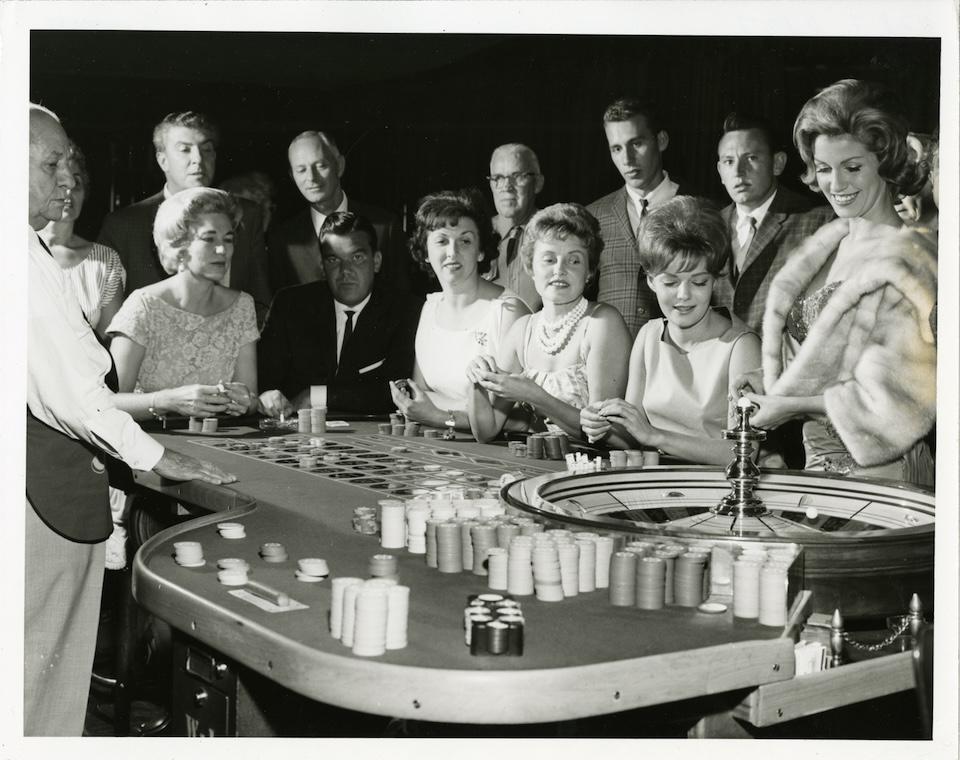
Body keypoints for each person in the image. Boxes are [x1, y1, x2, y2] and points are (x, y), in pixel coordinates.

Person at [26, 103, 234, 736]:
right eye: (50, 162)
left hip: (50, 483)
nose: (68, 177)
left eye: (73, 162)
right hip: (39, 495)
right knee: (37, 682)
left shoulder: (29, 249)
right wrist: (158, 457)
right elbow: (77, 393)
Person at [745, 79, 937, 486]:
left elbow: (894, 403)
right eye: (824, 168)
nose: (836, 185)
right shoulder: (827, 243)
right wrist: (764, 381)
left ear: (885, 161)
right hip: (818, 466)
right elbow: (818, 363)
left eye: (852, 168)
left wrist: (785, 406)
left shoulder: (911, 260)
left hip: (883, 473)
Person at [103, 187, 258, 567]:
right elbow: (105, 403)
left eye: (228, 239)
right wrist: (168, 400)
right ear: (179, 245)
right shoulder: (144, 305)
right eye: (209, 239)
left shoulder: (243, 306)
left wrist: (245, 400)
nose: (223, 251)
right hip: (149, 472)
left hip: (220, 467)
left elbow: (250, 397)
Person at [581, 196, 762, 466]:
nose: (684, 295)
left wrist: (655, 436)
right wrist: (601, 426)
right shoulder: (648, 335)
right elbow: (634, 436)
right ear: (651, 281)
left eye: (699, 282)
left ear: (715, 280)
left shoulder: (741, 345)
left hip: (720, 492)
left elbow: (744, 452)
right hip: (657, 486)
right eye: (670, 282)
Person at [466, 203, 631, 443]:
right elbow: (487, 430)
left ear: (590, 271)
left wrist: (535, 396)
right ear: (530, 267)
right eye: (549, 259)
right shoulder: (521, 330)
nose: (560, 270)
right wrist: (477, 383)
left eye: (574, 261)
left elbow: (608, 436)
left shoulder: (602, 323)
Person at [98, 111, 272, 323]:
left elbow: (261, 298)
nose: (198, 160)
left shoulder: (247, 214)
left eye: (206, 149)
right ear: (163, 160)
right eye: (185, 150)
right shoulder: (124, 224)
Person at [389, 188, 529, 431]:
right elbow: (422, 395)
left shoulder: (507, 311)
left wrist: (440, 416)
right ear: (425, 252)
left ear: (481, 250)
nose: (452, 253)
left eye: (465, 241)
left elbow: (522, 419)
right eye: (442, 241)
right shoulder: (430, 307)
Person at [258, 211, 421, 416]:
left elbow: (396, 392)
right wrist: (267, 395)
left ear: (377, 261)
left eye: (357, 258)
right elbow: (263, 379)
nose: (345, 271)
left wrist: (314, 396)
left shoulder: (407, 310)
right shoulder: (290, 304)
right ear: (322, 266)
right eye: (334, 260)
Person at [711, 112, 834, 332]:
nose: (738, 172)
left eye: (751, 158)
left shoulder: (818, 221)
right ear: (720, 171)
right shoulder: (709, 227)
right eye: (729, 161)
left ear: (777, 163)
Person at [587, 97, 692, 338]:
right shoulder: (593, 215)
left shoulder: (701, 209)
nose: (627, 159)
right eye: (617, 148)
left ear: (661, 140)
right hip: (609, 361)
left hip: (676, 358)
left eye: (637, 144)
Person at [267, 130, 408, 293]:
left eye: (320, 166)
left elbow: (401, 299)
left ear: (340, 166)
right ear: (292, 177)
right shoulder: (283, 240)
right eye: (301, 170)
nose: (311, 178)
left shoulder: (384, 227)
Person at [39, 141, 126, 339]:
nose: (68, 192)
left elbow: (109, 343)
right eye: (59, 182)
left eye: (76, 183)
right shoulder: (20, 250)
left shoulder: (105, 260)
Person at [485, 143, 545, 311]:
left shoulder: (554, 233)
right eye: (497, 178)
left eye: (517, 176)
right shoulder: (476, 236)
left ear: (538, 183)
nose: (506, 187)